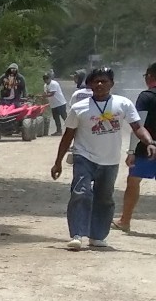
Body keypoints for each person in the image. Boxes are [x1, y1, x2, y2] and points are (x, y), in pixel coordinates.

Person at [52, 65, 153, 250]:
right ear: (89, 84)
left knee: (104, 198)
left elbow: (138, 127)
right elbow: (68, 135)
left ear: (111, 84)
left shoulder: (123, 104)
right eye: (96, 81)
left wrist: (150, 142)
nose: (99, 84)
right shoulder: (79, 107)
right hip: (84, 156)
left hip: (110, 159)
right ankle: (77, 234)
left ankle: (97, 236)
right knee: (80, 192)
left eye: (104, 81)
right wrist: (58, 162)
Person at [112, 63, 156, 235]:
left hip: (147, 147)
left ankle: (125, 221)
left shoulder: (146, 96)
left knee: (134, 182)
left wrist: (131, 151)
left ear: (150, 77)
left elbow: (138, 126)